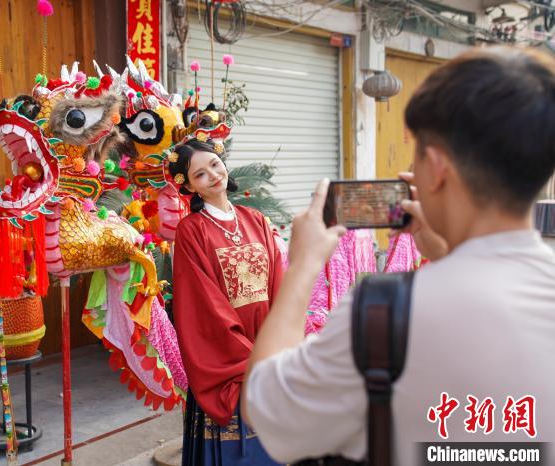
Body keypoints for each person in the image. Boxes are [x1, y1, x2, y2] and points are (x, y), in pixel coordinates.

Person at [242, 46, 555, 465]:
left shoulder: (385, 312)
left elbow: (269, 408)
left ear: (437, 167)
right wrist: (448, 254)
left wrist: (302, 268)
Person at [169, 137, 285, 465]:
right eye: (200, 174)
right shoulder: (191, 231)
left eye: (214, 165)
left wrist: (276, 342)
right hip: (228, 359)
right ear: (190, 187)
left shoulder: (255, 219)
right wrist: (250, 357)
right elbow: (204, 305)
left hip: (268, 345)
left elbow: (277, 281)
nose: (213, 175)